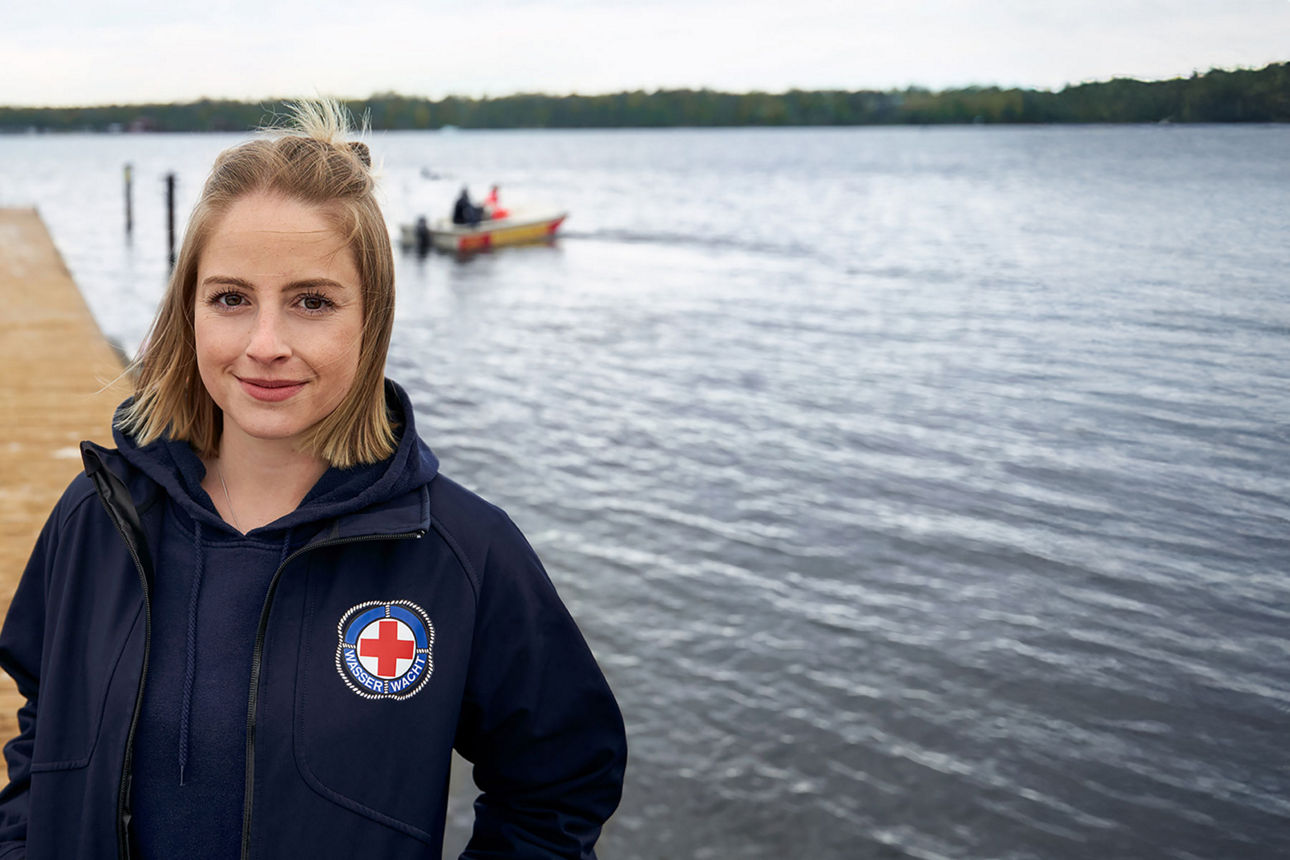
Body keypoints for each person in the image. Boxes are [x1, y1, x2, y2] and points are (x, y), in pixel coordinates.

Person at [0, 100, 626, 858]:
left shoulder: (460, 553)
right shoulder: (98, 517)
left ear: (371, 320)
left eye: (312, 302)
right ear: (188, 311)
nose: (266, 344)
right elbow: (45, 717)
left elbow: (558, 785)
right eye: (230, 298)